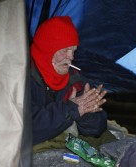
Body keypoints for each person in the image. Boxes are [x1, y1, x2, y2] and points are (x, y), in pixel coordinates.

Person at [30, 16, 108, 145]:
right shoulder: (19, 78)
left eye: (74, 50)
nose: (71, 57)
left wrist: (86, 113)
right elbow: (26, 128)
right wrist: (71, 110)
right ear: (47, 49)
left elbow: (98, 129)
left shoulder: (76, 80)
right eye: (65, 50)